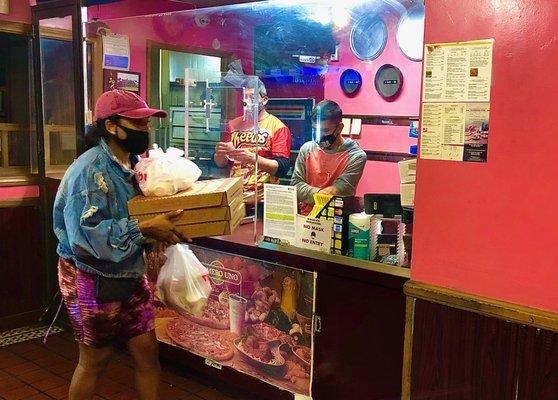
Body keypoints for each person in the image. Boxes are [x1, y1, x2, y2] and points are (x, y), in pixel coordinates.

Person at [53, 90, 185, 400]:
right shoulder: (90, 171)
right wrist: (144, 228)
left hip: (128, 272)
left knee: (148, 355)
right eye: (138, 124)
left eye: (147, 123)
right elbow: (85, 237)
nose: (146, 130)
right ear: (112, 126)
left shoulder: (136, 164)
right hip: (92, 277)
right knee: (94, 362)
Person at [213, 80, 292, 206]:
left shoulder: (278, 127)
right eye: (245, 97)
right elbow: (221, 164)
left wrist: (254, 159)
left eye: (252, 97)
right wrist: (220, 153)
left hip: (263, 199)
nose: (248, 101)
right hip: (235, 195)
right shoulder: (233, 125)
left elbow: (282, 168)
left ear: (264, 100)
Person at [291, 100, 367, 215]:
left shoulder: (356, 156)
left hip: (337, 221)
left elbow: (337, 192)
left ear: (340, 128)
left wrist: (307, 193)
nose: (319, 136)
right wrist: (322, 194)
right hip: (305, 218)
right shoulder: (307, 149)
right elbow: (295, 186)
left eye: (325, 130)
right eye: (315, 130)